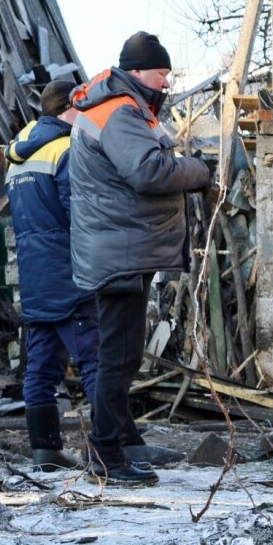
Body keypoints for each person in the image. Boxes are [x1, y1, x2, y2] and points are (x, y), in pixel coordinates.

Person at [70, 32, 211, 485]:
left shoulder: (124, 109)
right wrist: (200, 171)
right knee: (119, 357)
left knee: (121, 354)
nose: (167, 82)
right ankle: (106, 456)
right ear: (135, 71)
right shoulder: (121, 113)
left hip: (120, 249)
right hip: (119, 254)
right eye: (161, 72)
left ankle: (124, 442)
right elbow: (149, 171)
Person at [5, 79, 97, 470]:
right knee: (96, 360)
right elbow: (81, 214)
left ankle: (45, 449)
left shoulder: (21, 154)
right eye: (83, 109)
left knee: (41, 365)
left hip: (35, 275)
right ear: (67, 110)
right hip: (70, 272)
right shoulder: (67, 150)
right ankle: (111, 450)